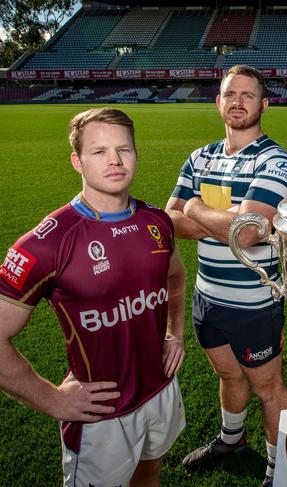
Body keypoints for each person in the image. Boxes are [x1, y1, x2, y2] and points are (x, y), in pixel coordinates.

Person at [0, 107, 186, 486]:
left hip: (161, 388)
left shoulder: (156, 221)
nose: (115, 160)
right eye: (99, 152)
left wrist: (175, 333)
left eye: (124, 149)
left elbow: (176, 277)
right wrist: (53, 400)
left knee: (150, 472)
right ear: (77, 161)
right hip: (101, 414)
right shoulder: (46, 243)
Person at [166, 65, 287, 487]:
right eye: (229, 93)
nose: (238, 101)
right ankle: (231, 439)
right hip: (208, 297)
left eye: (248, 94)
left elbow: (252, 232)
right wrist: (225, 219)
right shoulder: (199, 156)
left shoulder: (275, 159)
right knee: (227, 375)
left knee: (269, 389)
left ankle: (280, 469)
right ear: (218, 102)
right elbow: (169, 223)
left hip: (254, 303)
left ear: (264, 104)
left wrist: (195, 208)